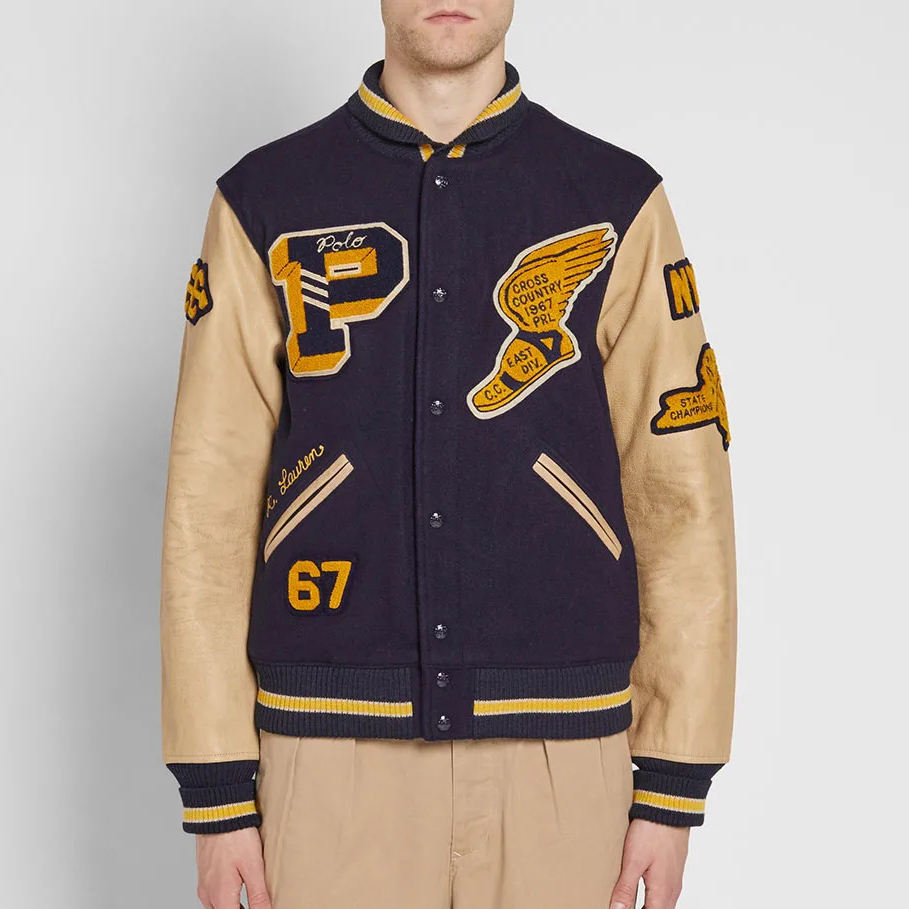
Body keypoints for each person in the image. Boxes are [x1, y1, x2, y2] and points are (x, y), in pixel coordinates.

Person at [159, 2, 737, 907]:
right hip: (327, 755)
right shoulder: (264, 198)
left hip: (562, 756)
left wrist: (672, 781)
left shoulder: (614, 197)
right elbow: (208, 501)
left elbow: (682, 496)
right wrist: (216, 787)